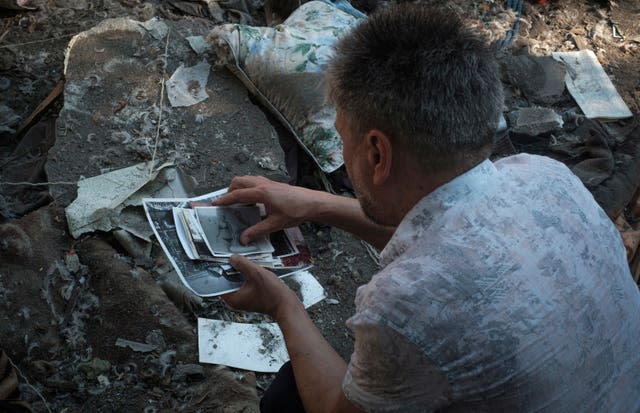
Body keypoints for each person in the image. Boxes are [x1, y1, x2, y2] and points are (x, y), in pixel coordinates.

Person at [213, 4, 640, 412]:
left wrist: (282, 305)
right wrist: (315, 205)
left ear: (378, 154)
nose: (342, 146)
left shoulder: (406, 305)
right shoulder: (546, 175)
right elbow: (441, 232)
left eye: (344, 136)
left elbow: (333, 409)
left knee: (289, 395)